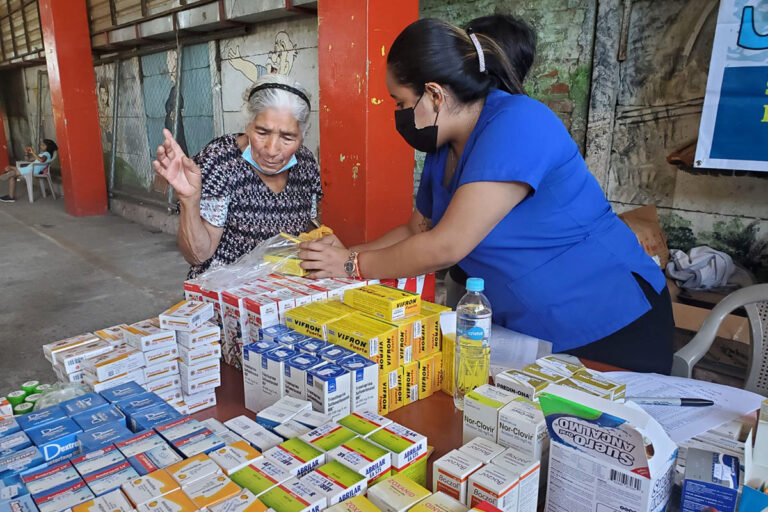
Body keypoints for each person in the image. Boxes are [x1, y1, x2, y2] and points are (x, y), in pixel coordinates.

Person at [298, 16, 674, 374]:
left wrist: (351, 265)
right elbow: (417, 231)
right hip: (532, 329)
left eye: (399, 102)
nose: (398, 114)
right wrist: (346, 256)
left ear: (434, 94)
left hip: (609, 321)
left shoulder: (519, 123)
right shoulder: (443, 148)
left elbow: (446, 246)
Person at [154, 74, 323, 279]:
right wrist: (190, 200)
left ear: (302, 135)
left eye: (287, 137)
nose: (271, 149)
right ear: (248, 124)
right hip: (224, 289)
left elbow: (308, 226)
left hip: (281, 287)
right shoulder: (221, 161)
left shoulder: (305, 164)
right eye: (262, 132)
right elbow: (198, 256)